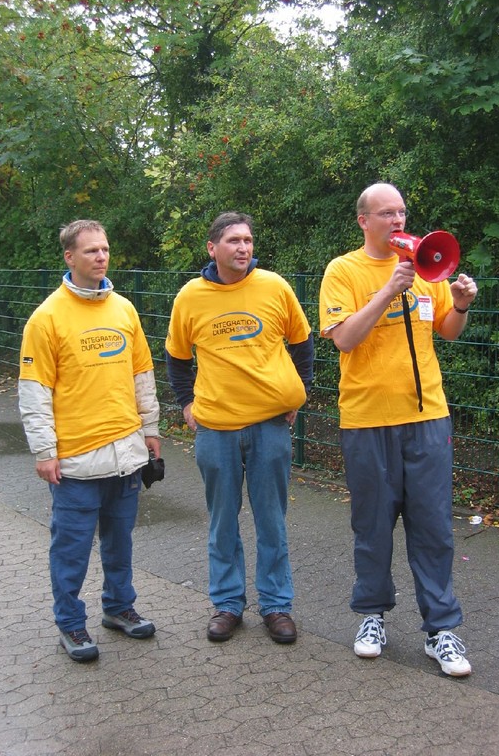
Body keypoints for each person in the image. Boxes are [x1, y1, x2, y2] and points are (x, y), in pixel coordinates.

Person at [319, 183, 478, 676]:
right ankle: (372, 616)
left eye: (402, 213)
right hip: (368, 420)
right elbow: (344, 339)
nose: (397, 221)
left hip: (428, 417)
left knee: (432, 526)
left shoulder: (425, 264)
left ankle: (441, 630)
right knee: (372, 527)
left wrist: (460, 303)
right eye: (386, 213)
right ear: (363, 220)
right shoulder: (343, 271)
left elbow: (447, 331)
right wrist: (389, 289)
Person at [165, 211, 313, 644]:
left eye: (248, 240)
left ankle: (276, 606)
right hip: (216, 430)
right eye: (233, 240)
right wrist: (186, 404)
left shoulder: (275, 287)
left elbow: (302, 343)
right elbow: (176, 356)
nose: (243, 248)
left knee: (272, 521)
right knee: (222, 521)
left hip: (270, 425)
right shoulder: (190, 297)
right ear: (212, 248)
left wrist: (296, 394)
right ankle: (228, 604)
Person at [18, 219, 161, 662]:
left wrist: (151, 432)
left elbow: (143, 377)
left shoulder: (124, 310)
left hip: (126, 455)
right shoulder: (47, 318)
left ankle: (119, 609)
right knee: (72, 550)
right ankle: (71, 624)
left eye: (105, 249)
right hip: (76, 462)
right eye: (91, 251)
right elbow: (34, 392)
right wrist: (45, 452)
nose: (101, 257)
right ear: (69, 257)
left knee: (120, 543)